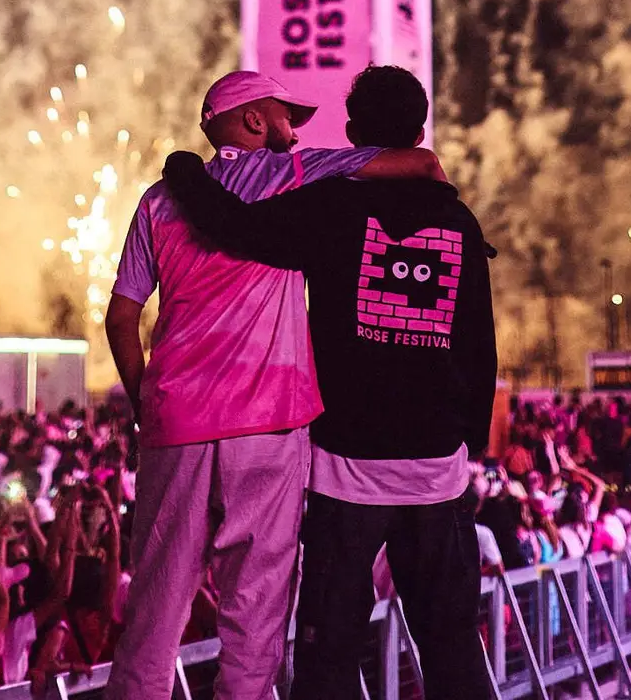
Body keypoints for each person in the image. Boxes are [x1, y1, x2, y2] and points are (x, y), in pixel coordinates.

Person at [103, 68, 444, 700]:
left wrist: (144, 404)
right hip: (268, 424)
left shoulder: (157, 201)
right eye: (288, 117)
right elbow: (417, 164)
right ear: (255, 121)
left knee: (153, 611)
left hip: (175, 424)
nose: (295, 131)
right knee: (255, 614)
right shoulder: (289, 174)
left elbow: (122, 315)